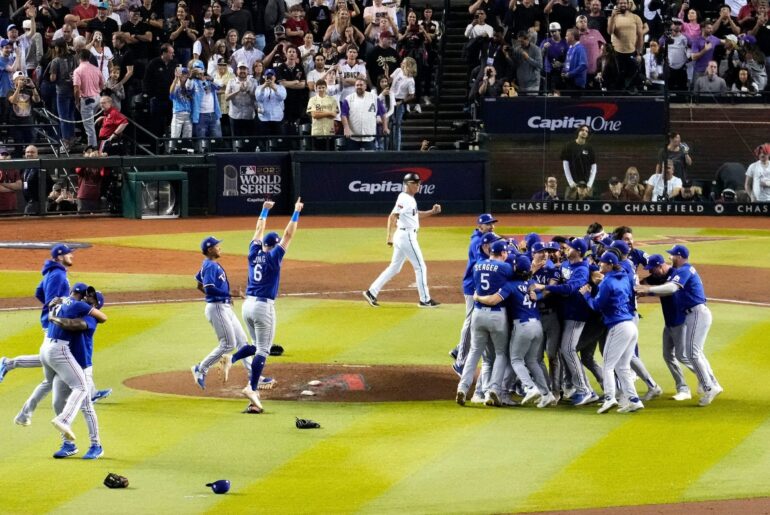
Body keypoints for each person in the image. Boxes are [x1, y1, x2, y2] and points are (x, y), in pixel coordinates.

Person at [220, 198, 304, 414]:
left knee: (256, 346)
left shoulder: (253, 253)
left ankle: (232, 357)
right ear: (274, 246)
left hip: (247, 305)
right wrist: (296, 212)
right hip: (263, 307)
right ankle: (252, 388)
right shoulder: (275, 256)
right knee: (264, 350)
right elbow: (289, 235)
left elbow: (258, 230)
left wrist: (264, 210)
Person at [637, 245, 722, 407]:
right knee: (692, 353)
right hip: (692, 314)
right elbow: (648, 281)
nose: (670, 258)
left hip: (695, 313)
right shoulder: (677, 271)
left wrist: (648, 290)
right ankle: (710, 384)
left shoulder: (683, 270)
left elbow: (671, 288)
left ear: (680, 256)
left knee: (691, 354)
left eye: (672, 256)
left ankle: (710, 385)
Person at [533, 238, 598, 406]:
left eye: (570, 248)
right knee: (565, 351)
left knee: (568, 349)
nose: (566, 249)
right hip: (565, 314)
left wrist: (544, 287)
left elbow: (570, 288)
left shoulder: (582, 269)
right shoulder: (565, 265)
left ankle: (584, 390)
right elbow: (561, 276)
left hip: (577, 315)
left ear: (578, 251)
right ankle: (584, 389)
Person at [0, 243, 75, 386]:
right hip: (54, 322)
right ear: (60, 257)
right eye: (68, 253)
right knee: (55, 356)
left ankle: (87, 392)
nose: (71, 255)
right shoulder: (57, 275)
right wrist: (62, 312)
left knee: (58, 356)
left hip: (54, 320)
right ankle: (8, 363)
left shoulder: (53, 272)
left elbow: (38, 291)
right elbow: (52, 301)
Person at [364, 172, 441, 308]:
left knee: (394, 267)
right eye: (416, 183)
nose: (418, 185)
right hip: (406, 237)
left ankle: (371, 292)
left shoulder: (409, 199)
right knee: (420, 267)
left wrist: (431, 212)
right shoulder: (405, 198)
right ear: (408, 184)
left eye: (419, 183)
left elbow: (414, 215)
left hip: (404, 235)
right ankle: (425, 300)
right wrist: (389, 237)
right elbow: (392, 216)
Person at [581, 252, 643, 414]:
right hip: (630, 324)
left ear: (609, 264)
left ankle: (609, 398)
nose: (599, 265)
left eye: (602, 263)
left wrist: (586, 294)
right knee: (622, 366)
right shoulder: (624, 278)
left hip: (618, 326)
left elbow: (596, 306)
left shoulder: (607, 282)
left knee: (608, 365)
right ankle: (634, 400)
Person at [455, 238, 512, 407]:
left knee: (474, 353)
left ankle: (463, 388)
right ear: (502, 253)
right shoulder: (505, 267)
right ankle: (494, 389)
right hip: (497, 315)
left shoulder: (478, 264)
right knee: (501, 353)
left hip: (478, 314)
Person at [190, 236, 250, 391]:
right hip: (217, 308)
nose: (220, 248)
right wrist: (228, 294)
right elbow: (208, 288)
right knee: (228, 344)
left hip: (223, 307)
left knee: (242, 341)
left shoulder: (209, 264)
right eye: (217, 246)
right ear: (210, 249)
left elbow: (199, 285)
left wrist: (223, 298)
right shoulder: (210, 266)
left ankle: (254, 375)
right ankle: (201, 369)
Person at [450, 214, 498, 378]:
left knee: (473, 322)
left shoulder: (483, 238)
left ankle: (459, 349)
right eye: (487, 224)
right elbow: (483, 262)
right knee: (470, 321)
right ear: (480, 226)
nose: (491, 226)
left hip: (476, 286)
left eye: (492, 224)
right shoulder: (478, 242)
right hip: (472, 286)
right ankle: (460, 362)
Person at [340, 78, 388, 151]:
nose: (359, 86)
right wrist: (346, 128)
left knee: (369, 160)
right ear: (354, 87)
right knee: (352, 160)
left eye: (361, 85)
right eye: (357, 85)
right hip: (353, 136)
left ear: (365, 86)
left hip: (369, 136)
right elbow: (343, 115)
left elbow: (383, 113)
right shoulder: (348, 99)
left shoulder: (374, 98)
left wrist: (385, 127)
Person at [607, 0, 643, 90]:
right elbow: (610, 32)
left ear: (628, 4)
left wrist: (639, 53)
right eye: (620, 3)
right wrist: (612, 17)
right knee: (617, 78)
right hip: (617, 52)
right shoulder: (612, 17)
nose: (623, 4)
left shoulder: (636, 17)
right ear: (617, 5)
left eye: (624, 3)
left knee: (631, 78)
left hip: (631, 51)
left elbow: (640, 36)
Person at [73, 49, 104, 148]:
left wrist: (77, 102)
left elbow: (76, 89)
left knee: (89, 126)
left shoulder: (77, 71)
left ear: (79, 58)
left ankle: (92, 147)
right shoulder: (96, 69)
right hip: (98, 98)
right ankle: (96, 144)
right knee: (92, 124)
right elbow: (102, 85)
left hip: (87, 100)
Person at [186, 61, 222, 139]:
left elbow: (220, 86)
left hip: (214, 114)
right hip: (200, 115)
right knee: (201, 141)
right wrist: (190, 77)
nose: (198, 71)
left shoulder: (209, 80)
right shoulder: (193, 81)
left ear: (204, 70)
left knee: (217, 140)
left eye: (199, 69)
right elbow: (188, 88)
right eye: (196, 69)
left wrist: (212, 79)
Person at [561, 124, 596, 198]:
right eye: (582, 130)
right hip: (571, 184)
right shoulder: (569, 146)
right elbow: (565, 165)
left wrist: (589, 184)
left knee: (588, 207)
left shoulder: (590, 148)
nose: (584, 132)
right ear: (578, 131)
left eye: (586, 131)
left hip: (586, 185)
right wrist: (571, 182)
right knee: (569, 206)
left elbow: (594, 167)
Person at [389, 56, 416, 151]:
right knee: (389, 125)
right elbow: (389, 80)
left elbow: (412, 95)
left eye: (403, 62)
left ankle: (396, 149)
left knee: (397, 126)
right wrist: (386, 72)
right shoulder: (398, 70)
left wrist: (402, 101)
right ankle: (388, 147)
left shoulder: (410, 80)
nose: (401, 63)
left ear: (408, 65)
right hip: (390, 98)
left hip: (399, 102)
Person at [8, 71, 40, 150]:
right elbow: (13, 101)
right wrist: (18, 88)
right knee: (18, 145)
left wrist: (33, 87)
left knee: (30, 145)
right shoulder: (10, 92)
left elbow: (37, 100)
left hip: (28, 121)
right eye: (20, 80)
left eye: (23, 79)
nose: (22, 81)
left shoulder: (29, 91)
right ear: (14, 81)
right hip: (16, 122)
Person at [225, 61, 258, 136]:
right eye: (240, 69)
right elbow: (226, 98)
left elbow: (257, 98)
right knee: (236, 141)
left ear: (248, 71)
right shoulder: (231, 81)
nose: (242, 71)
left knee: (249, 141)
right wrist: (238, 91)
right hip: (235, 115)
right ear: (237, 70)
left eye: (244, 69)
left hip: (249, 116)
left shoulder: (254, 82)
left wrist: (248, 91)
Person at [305, 78, 339, 149]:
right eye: (319, 88)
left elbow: (334, 114)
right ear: (316, 88)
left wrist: (320, 112)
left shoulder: (332, 100)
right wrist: (329, 112)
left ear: (326, 88)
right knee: (317, 156)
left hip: (329, 132)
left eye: (323, 87)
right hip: (317, 132)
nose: (321, 89)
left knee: (330, 155)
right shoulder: (312, 100)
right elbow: (314, 115)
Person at [255, 68, 287, 139]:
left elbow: (282, 97)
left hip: (277, 117)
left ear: (274, 77)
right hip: (264, 118)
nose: (270, 78)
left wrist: (274, 88)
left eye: (271, 76)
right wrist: (264, 87)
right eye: (268, 76)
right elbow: (259, 98)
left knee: (278, 141)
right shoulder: (259, 87)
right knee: (264, 141)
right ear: (264, 77)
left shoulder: (281, 87)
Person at [169, 66, 193, 137]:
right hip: (178, 114)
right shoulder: (175, 86)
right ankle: (173, 148)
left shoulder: (189, 85)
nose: (183, 75)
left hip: (188, 114)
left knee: (188, 138)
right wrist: (175, 79)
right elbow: (171, 93)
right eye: (182, 73)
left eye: (185, 73)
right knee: (175, 137)